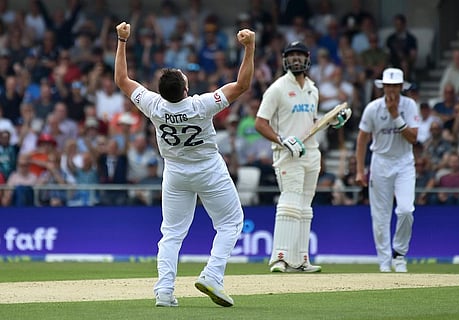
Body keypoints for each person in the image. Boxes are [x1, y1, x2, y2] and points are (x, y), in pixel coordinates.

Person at [114, 22, 255, 307]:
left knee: (171, 233)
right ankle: (212, 275)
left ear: (161, 90)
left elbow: (122, 80)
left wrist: (121, 40)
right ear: (186, 88)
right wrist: (250, 47)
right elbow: (242, 85)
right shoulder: (201, 105)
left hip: (175, 172)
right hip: (208, 168)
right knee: (230, 222)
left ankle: (164, 292)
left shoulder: (153, 105)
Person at [255, 41, 327, 273]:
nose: (295, 60)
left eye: (299, 55)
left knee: (305, 208)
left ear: (307, 58)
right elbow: (260, 123)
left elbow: (311, 123)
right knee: (290, 202)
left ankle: (300, 259)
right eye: (291, 56)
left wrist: (332, 121)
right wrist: (282, 140)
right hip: (288, 154)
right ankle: (280, 258)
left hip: (311, 152)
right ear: (285, 60)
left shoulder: (313, 89)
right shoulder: (277, 89)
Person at [355, 67, 420, 273]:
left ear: (401, 87)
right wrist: (359, 170)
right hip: (380, 162)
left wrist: (395, 115)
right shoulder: (372, 108)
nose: (391, 90)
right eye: (388, 86)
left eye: (395, 86)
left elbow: (413, 138)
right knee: (380, 216)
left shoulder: (409, 106)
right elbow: (361, 140)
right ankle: (384, 263)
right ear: (382, 87)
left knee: (405, 210)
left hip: (404, 163)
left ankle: (399, 254)